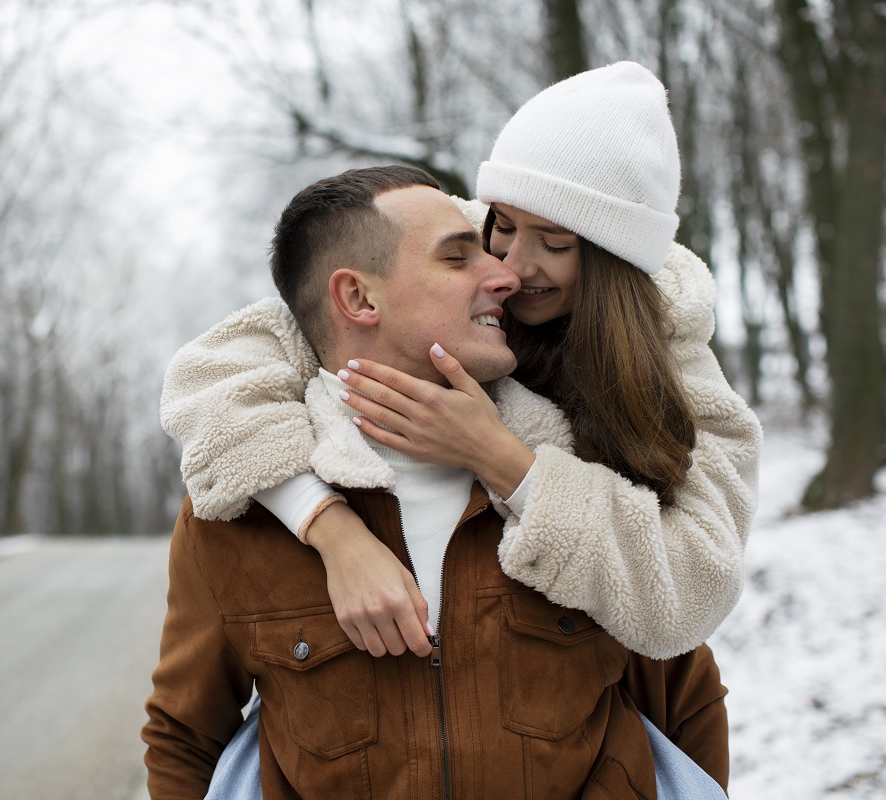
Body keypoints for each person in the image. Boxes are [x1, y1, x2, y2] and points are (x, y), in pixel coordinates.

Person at [143, 165, 729, 798]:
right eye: (457, 259)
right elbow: (183, 738)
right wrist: (329, 528)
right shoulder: (240, 508)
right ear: (360, 299)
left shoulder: (586, 463)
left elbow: (685, 704)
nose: (506, 274)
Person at [159, 62, 762, 662]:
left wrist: (498, 456)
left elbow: (690, 594)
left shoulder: (678, 369)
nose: (511, 267)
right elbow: (221, 366)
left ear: (615, 264)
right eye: (502, 223)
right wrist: (332, 530)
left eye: (554, 245)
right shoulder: (459, 243)